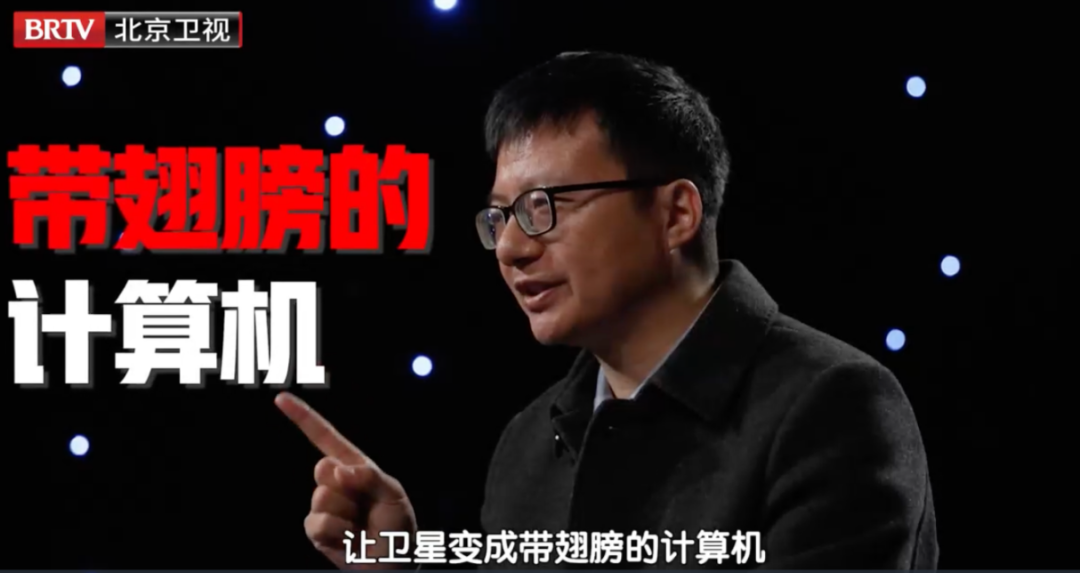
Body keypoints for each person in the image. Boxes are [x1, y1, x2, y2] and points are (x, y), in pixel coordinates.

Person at [275, 51, 938, 569]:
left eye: (545, 206)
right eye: (500, 216)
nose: (510, 247)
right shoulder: (528, 444)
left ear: (676, 213)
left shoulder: (831, 404)